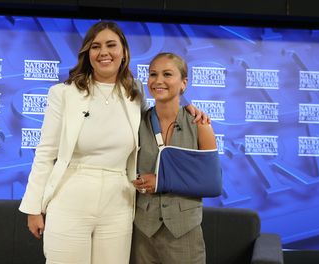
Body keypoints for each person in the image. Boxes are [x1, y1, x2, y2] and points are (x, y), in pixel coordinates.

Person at [19, 22, 209, 264]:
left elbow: (158, 117)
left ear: (124, 52)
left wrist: (188, 110)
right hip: (70, 196)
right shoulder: (63, 93)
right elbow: (45, 153)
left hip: (119, 201)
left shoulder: (135, 91)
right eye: (96, 46)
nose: (104, 52)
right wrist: (33, 208)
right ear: (88, 53)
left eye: (111, 45)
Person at [131, 52, 218, 264]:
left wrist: (161, 181)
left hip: (184, 233)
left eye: (167, 74)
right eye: (153, 74)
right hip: (144, 232)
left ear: (183, 83)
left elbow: (212, 183)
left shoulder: (200, 124)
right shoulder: (135, 121)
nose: (158, 80)